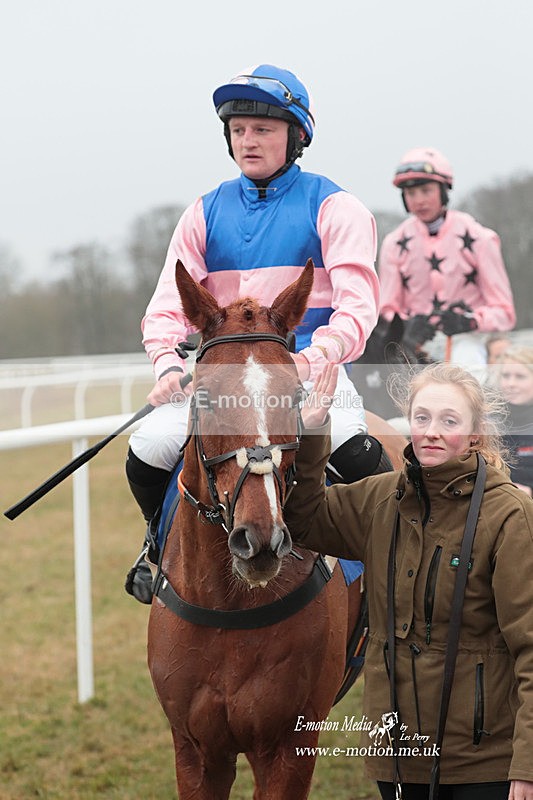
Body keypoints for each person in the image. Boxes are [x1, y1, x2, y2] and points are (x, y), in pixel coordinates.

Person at [125, 64, 382, 603]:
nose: (249, 140)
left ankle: (390, 571)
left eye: (263, 129)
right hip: (221, 382)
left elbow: (358, 310)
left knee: (355, 451)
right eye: (239, 130)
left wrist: (307, 363)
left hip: (309, 373)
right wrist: (169, 367)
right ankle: (155, 550)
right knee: (148, 447)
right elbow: (166, 310)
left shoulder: (336, 206)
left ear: (296, 137)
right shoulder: (202, 212)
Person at [287, 361, 533, 800]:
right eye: (422, 418)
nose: (431, 431)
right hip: (399, 757)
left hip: (484, 762)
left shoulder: (510, 515)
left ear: (476, 434)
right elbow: (303, 520)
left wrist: (528, 764)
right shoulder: (380, 497)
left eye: (449, 421)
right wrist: (313, 430)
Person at [375, 147, 516, 368]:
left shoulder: (480, 238)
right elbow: (387, 309)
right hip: (415, 344)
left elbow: (505, 312)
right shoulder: (393, 243)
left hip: (469, 340)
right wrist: (407, 324)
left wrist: (470, 320)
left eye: (426, 190)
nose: (419, 200)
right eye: (411, 193)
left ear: (443, 190)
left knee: (467, 362)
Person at [498, 345, 533, 497]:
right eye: (506, 376)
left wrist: (530, 492)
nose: (511, 383)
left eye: (520, 377)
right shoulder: (489, 420)